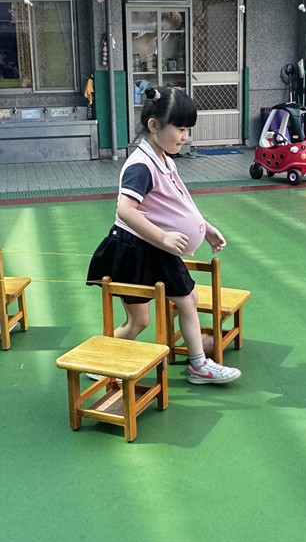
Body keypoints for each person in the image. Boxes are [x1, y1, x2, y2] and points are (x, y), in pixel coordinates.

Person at [86, 87, 240, 384]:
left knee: (188, 299)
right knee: (139, 321)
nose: (185, 136)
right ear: (154, 125)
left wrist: (205, 227)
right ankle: (100, 359)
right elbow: (125, 210)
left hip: (155, 248)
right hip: (135, 249)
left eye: (187, 130)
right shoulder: (141, 165)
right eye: (180, 129)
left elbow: (178, 203)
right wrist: (164, 237)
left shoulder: (164, 159)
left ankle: (198, 365)